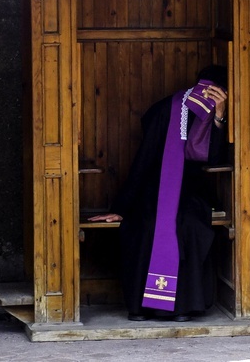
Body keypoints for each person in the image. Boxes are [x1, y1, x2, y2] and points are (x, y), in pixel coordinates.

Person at [88, 65, 229, 322]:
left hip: (195, 189)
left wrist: (219, 117)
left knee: (188, 227)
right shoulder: (167, 109)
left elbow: (217, 159)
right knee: (146, 225)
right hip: (154, 186)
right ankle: (141, 307)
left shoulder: (221, 113)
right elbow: (143, 161)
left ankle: (182, 307)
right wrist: (121, 207)